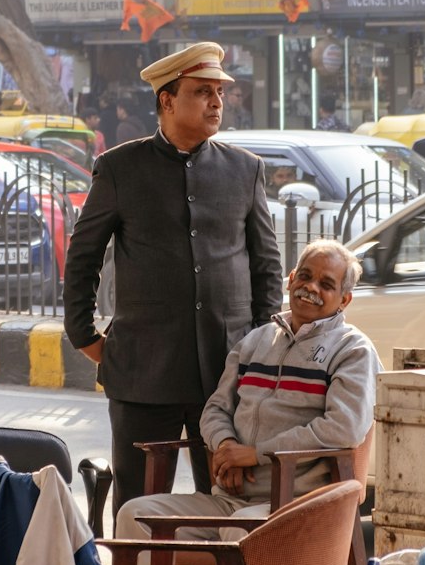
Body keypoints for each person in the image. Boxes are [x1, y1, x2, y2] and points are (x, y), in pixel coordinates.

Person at [63, 40, 282, 516]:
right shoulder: (121, 168)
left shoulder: (244, 170)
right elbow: (83, 257)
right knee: (139, 510)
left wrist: (261, 349)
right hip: (143, 375)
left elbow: (267, 267)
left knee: (229, 507)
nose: (217, 102)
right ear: (167, 100)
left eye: (220, 92)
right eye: (203, 92)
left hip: (226, 378)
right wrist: (85, 336)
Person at [114, 239, 382, 565]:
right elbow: (216, 408)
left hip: (288, 504)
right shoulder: (256, 342)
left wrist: (255, 454)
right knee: (135, 516)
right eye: (305, 276)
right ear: (290, 280)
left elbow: (343, 428)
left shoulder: (352, 350)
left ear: (344, 300)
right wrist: (225, 446)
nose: (312, 287)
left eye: (327, 283)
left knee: (240, 537)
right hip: (228, 499)